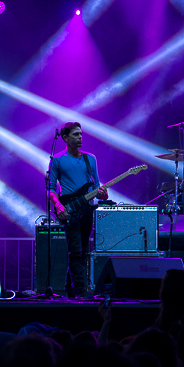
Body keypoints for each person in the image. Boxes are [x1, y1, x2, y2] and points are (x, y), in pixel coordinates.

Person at [46, 122, 107, 298]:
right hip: (69, 210)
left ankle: (71, 290)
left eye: (81, 134)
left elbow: (96, 186)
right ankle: (80, 291)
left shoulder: (91, 158)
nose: (80, 137)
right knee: (75, 251)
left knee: (83, 252)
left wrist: (103, 194)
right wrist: (58, 205)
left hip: (87, 210)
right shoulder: (57, 160)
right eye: (75, 134)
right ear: (65, 138)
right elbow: (50, 188)